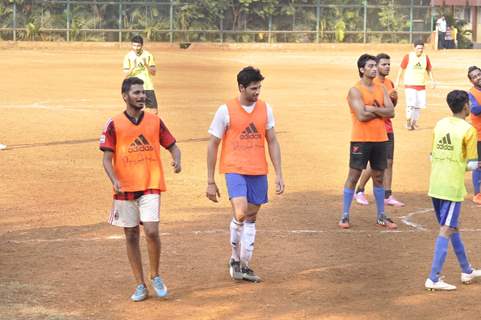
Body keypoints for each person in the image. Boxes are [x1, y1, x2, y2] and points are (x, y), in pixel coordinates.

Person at [100, 77, 181, 301]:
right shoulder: (114, 123)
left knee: (152, 232)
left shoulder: (155, 121)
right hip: (124, 187)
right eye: (136, 93)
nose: (141, 96)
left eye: (142, 92)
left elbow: (173, 145)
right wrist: (113, 179)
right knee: (131, 234)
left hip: (150, 183)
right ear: (125, 96)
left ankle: (155, 275)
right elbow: (107, 159)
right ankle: (140, 284)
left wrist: (177, 159)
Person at [206, 66, 285, 282]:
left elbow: (272, 141)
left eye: (259, 88)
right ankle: (234, 258)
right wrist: (210, 181)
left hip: (258, 170)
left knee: (251, 216)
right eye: (253, 88)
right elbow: (213, 144)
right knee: (240, 212)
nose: (257, 92)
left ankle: (245, 264)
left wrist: (279, 173)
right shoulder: (225, 110)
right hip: (234, 169)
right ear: (241, 87)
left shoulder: (265, 109)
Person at [425, 90, 481, 291]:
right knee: (447, 229)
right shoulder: (469, 130)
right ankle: (433, 277)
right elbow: (473, 164)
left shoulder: (440, 124)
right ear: (466, 106)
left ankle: (467, 270)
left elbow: (432, 156)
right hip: (452, 186)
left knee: (452, 226)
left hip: (436, 184)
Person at [339, 54, 396, 230]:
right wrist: (380, 111)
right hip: (361, 139)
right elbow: (361, 116)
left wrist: (371, 108)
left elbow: (392, 112)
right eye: (370, 66)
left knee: (379, 177)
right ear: (362, 69)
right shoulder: (355, 90)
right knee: (354, 176)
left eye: (374, 66)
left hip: (380, 138)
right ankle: (345, 215)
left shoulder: (381, 88)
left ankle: (381, 216)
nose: (374, 68)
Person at [354, 53, 405, 207]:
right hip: (375, 128)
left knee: (389, 162)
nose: (387, 67)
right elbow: (368, 109)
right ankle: (360, 190)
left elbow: (391, 111)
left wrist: (393, 100)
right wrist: (385, 104)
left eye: (388, 64)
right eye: (383, 64)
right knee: (374, 164)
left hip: (388, 127)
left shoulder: (389, 83)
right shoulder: (372, 84)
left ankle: (387, 195)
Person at [395, 41, 435, 130]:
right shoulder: (408, 57)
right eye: (418, 48)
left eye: (421, 48)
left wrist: (432, 81)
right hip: (410, 85)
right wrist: (397, 81)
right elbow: (401, 69)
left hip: (421, 85)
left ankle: (414, 123)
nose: (420, 50)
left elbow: (429, 70)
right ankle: (408, 122)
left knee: (418, 106)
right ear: (414, 48)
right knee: (410, 105)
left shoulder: (425, 57)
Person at [123, 35, 159, 115]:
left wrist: (146, 65)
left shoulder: (148, 55)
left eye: (138, 46)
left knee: (154, 111)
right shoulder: (128, 57)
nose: (136, 48)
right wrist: (133, 67)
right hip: (134, 88)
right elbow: (125, 75)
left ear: (142, 45)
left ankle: (147, 126)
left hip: (147, 86)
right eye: (134, 45)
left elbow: (153, 73)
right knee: (134, 112)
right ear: (132, 45)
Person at [467, 66, 481, 204]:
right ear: (472, 81)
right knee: (478, 165)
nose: (478, 77)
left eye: (479, 74)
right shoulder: (470, 93)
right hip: (479, 136)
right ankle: (478, 194)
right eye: (475, 76)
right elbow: (475, 110)